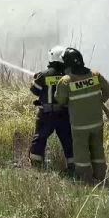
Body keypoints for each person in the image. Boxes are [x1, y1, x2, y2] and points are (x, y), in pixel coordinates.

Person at [53, 47, 109, 184]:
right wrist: (99, 101)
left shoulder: (66, 81)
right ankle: (100, 177)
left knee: (81, 153)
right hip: (97, 123)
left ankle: (85, 180)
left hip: (79, 126)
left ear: (68, 64)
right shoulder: (95, 75)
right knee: (98, 149)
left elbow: (61, 100)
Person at [28, 46, 75, 175]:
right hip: (64, 114)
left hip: (46, 115)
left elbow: (34, 90)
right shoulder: (68, 76)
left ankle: (36, 166)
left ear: (52, 57)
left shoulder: (44, 74)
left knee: (40, 138)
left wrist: (37, 78)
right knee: (68, 140)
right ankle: (73, 167)